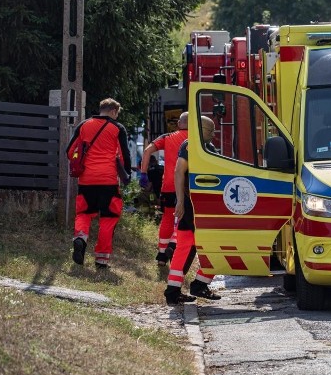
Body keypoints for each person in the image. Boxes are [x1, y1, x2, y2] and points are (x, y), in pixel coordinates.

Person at [67, 98, 131, 269]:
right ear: (113, 111)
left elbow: (70, 151)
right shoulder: (117, 128)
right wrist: (127, 176)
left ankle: (80, 238)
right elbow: (124, 155)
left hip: (86, 180)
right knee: (109, 218)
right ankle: (101, 260)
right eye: (117, 113)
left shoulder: (84, 125)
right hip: (108, 181)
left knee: (83, 213)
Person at [165, 116, 221, 304]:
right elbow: (179, 171)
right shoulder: (190, 145)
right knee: (215, 245)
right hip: (193, 205)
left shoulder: (208, 148)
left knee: (184, 246)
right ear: (200, 129)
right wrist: (180, 201)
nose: (213, 134)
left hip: (197, 204)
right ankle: (199, 284)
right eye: (210, 130)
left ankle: (173, 291)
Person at [140, 112, 189, 266]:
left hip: (168, 185)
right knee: (185, 220)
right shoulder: (196, 139)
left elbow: (147, 150)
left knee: (168, 218)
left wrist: (143, 173)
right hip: (188, 187)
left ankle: (161, 256)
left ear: (180, 123)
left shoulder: (167, 137)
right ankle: (173, 245)